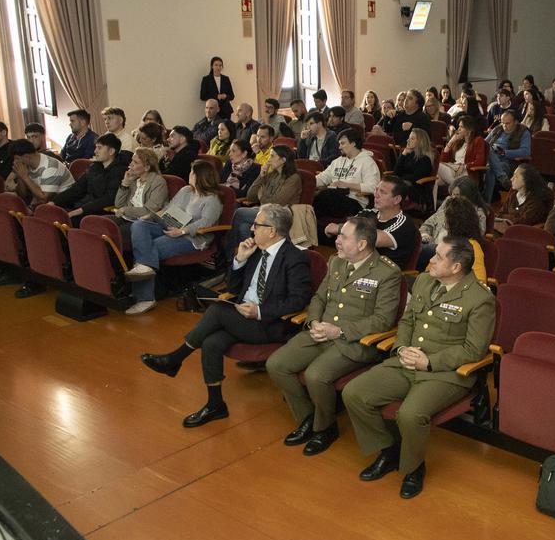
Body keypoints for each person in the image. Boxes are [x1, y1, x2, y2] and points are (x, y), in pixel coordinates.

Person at [342, 237, 495, 499]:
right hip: (407, 361)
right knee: (354, 393)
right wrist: (401, 348)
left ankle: (413, 468)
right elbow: (408, 321)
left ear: (457, 267)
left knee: (410, 414)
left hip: (446, 373)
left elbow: (474, 350)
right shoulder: (425, 281)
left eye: (438, 256)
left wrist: (430, 361)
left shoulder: (480, 299)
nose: (431, 259)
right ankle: (389, 451)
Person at [140, 203, 312, 426]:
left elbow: (298, 300)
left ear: (271, 230)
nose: (251, 229)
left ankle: (176, 358)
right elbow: (232, 285)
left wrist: (260, 311)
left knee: (218, 310)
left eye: (257, 225)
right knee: (212, 342)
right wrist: (240, 259)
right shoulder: (255, 251)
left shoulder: (294, 258)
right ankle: (215, 405)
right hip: (242, 317)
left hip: (270, 324)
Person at [266, 215, 401, 455]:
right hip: (321, 332)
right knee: (276, 364)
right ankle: (308, 418)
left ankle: (325, 428)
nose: (337, 240)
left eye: (343, 236)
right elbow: (319, 298)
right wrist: (314, 321)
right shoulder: (337, 263)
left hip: (353, 341)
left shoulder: (386, 273)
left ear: (361, 244)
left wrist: (340, 331)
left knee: (316, 375)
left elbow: (383, 319)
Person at [123, 160, 225, 315]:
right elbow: (168, 209)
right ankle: (144, 279)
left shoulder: (213, 199)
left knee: (150, 247)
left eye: (192, 173)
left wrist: (182, 231)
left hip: (192, 238)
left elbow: (206, 223)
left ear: (201, 176)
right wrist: (151, 216)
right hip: (169, 225)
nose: (189, 175)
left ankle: (144, 298)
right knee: (139, 225)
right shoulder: (185, 190)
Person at [52, 133, 127, 223]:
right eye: (96, 147)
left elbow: (108, 199)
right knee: (54, 212)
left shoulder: (120, 171)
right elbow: (77, 189)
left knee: (67, 220)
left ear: (111, 151)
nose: (95, 151)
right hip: (85, 205)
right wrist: (54, 202)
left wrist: (81, 210)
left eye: (99, 148)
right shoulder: (94, 167)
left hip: (100, 210)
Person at [419, 177, 490, 266]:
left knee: (420, 251)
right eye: (452, 194)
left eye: (457, 195)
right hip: (432, 243)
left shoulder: (478, 214)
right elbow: (429, 222)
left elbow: (472, 239)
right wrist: (425, 234)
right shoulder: (448, 202)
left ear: (469, 196)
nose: (453, 198)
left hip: (452, 252)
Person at [312, 131, 381, 219]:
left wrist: (347, 185)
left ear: (353, 144)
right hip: (334, 197)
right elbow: (323, 178)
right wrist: (308, 181)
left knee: (323, 198)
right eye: (339, 144)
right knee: (315, 198)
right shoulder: (337, 161)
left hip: (355, 201)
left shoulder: (367, 162)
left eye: (343, 143)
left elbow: (373, 187)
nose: (339, 147)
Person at [112, 147, 168, 243]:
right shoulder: (134, 180)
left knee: (114, 232)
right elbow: (119, 204)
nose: (130, 164)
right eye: (131, 161)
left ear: (147, 167)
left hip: (145, 222)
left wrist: (125, 210)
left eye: (136, 162)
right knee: (100, 223)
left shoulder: (158, 182)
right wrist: (125, 183)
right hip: (128, 217)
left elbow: (149, 210)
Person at [5, 139, 74, 205]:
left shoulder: (50, 167)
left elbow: (44, 199)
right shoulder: (26, 165)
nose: (15, 162)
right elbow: (23, 195)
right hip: (40, 201)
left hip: (64, 202)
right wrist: (20, 176)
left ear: (27, 157)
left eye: (17, 159)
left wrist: (25, 177)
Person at [485, 110, 531, 203]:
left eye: (507, 123)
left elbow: (526, 152)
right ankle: (502, 177)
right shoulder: (498, 129)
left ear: (515, 122)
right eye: (502, 123)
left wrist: (505, 152)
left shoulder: (523, 132)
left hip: (507, 162)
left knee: (490, 170)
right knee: (488, 149)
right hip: (490, 160)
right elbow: (484, 143)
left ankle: (486, 203)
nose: (504, 126)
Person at [495, 163, 553, 232]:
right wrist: (511, 218)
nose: (511, 179)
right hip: (505, 230)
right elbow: (500, 214)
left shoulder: (536, 201)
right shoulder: (513, 195)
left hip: (524, 235)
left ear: (526, 180)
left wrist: (506, 218)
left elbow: (524, 222)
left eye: (516, 176)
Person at [437, 115, 487, 188]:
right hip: (453, 170)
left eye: (461, 127)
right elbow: (443, 160)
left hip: (467, 172)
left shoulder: (478, 141)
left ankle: (456, 185)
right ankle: (456, 185)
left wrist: (464, 166)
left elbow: (480, 161)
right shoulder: (458, 142)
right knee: (435, 180)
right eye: (458, 126)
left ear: (470, 129)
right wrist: (451, 141)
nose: (458, 129)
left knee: (436, 166)